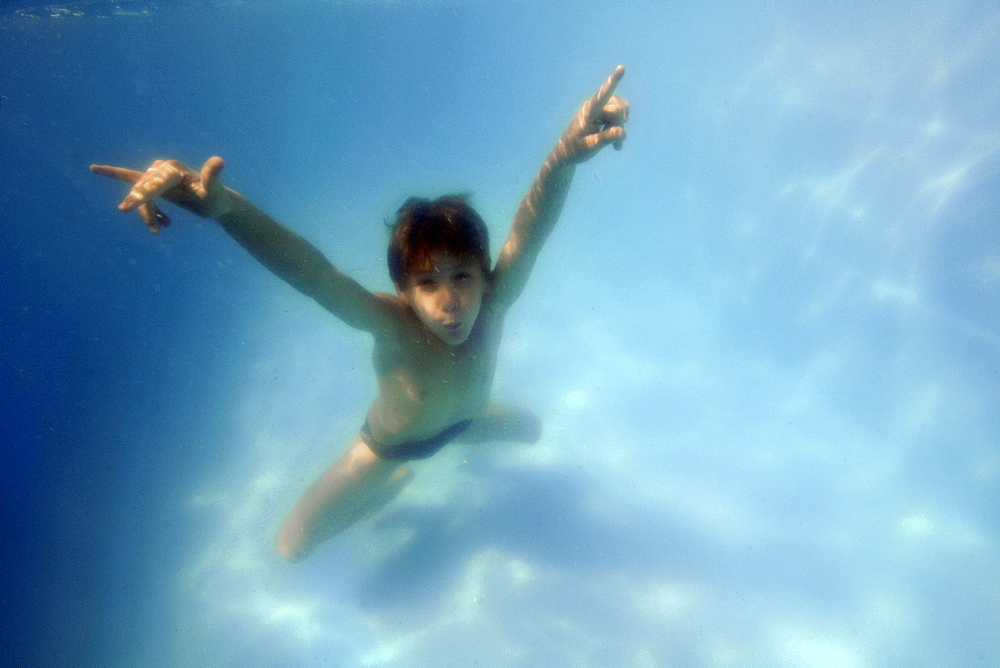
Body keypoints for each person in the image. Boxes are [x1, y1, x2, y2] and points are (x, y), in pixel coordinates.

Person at [91, 66, 629, 562]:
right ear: (403, 291)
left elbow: (527, 235)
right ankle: (388, 487)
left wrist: (562, 158)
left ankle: (439, 454)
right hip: (387, 447)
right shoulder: (389, 322)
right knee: (290, 548)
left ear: (485, 278)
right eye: (427, 284)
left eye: (463, 276)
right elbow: (311, 272)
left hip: (463, 423)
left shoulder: (497, 300)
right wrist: (228, 209)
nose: (451, 301)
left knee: (533, 431)